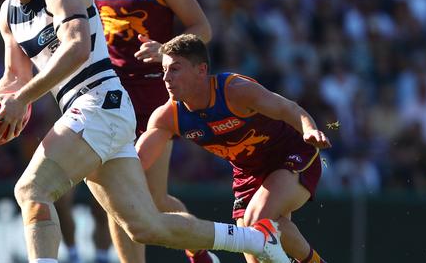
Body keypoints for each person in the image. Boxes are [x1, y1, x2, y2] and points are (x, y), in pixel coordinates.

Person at [0, 0, 289, 263]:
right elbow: (14, 75)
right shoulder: (8, 13)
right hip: (99, 113)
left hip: (99, 103)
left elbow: (77, 48)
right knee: (147, 226)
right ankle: (255, 240)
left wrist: (22, 98)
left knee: (31, 190)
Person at [84, 0, 214, 262]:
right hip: (109, 94)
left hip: (153, 97)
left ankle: (201, 250)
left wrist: (167, 51)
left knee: (154, 200)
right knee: (117, 195)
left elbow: (202, 27)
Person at [136, 34, 331, 263]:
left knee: (256, 221)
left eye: (175, 69)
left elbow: (287, 108)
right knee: (255, 249)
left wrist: (309, 129)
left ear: (201, 70)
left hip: (291, 155)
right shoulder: (168, 117)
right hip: (248, 174)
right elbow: (137, 161)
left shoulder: (235, 91)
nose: (166, 78)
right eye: (164, 70)